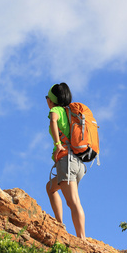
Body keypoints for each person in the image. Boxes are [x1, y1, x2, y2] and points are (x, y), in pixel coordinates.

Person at [45, 83, 86, 239]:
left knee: (73, 201)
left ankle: (82, 239)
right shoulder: (70, 113)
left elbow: (53, 121)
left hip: (67, 161)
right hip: (78, 163)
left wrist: (58, 144)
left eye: (47, 98)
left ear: (52, 100)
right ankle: (59, 224)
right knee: (50, 187)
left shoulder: (56, 110)